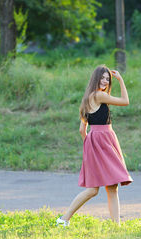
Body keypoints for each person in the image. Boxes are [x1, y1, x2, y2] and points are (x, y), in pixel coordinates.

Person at [56, 65, 133, 227]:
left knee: (107, 188)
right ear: (95, 79)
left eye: (108, 79)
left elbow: (81, 129)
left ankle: (115, 226)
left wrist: (90, 146)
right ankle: (64, 218)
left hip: (95, 141)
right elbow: (125, 101)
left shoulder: (86, 99)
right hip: (104, 140)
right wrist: (120, 80)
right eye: (103, 78)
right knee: (100, 189)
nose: (105, 81)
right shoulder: (99, 95)